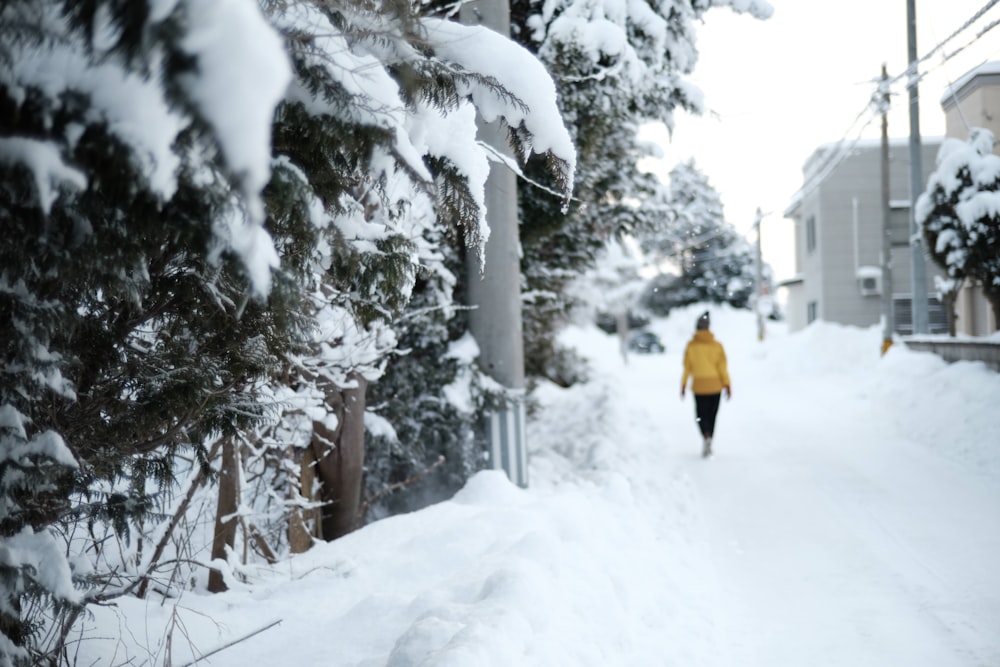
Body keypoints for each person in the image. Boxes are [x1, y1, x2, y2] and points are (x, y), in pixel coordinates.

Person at [680, 311, 731, 458]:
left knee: (701, 415)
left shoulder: (691, 346)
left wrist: (683, 385)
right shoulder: (717, 346)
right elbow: (722, 368)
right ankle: (710, 438)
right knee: (712, 415)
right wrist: (727, 384)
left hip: (699, 387)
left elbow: (687, 368)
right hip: (715, 386)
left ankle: (705, 435)